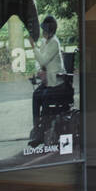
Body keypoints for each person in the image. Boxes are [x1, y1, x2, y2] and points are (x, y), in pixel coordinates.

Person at [29, 15, 65, 146]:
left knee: (44, 96)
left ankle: (43, 130)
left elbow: (43, 59)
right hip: (48, 81)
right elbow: (40, 62)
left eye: (45, 29)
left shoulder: (54, 42)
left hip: (57, 83)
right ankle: (37, 127)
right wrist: (39, 71)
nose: (43, 31)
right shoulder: (45, 42)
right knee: (35, 95)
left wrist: (33, 47)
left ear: (50, 31)